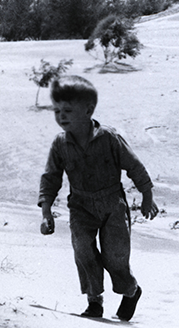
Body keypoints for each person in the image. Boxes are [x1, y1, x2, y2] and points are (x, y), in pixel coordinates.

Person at [38, 75, 159, 321]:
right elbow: (51, 177)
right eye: (57, 110)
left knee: (115, 256)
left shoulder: (109, 138)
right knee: (83, 250)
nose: (61, 116)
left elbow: (134, 166)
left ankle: (131, 290)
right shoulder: (60, 144)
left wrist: (147, 195)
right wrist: (46, 210)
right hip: (80, 206)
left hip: (112, 204)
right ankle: (94, 301)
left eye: (68, 110)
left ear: (88, 110)